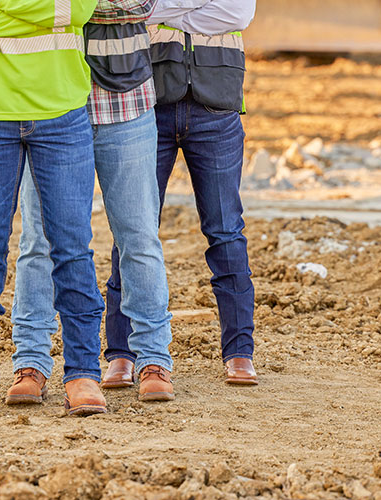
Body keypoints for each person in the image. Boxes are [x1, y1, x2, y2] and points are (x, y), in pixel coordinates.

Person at [0, 0, 108, 418]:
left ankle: (83, 374)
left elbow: (75, 11)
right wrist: (39, 8)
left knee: (71, 247)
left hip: (60, 112)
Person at [7, 0, 176, 407]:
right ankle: (30, 361)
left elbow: (140, 4)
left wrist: (58, 6)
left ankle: (154, 358)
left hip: (127, 105)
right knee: (38, 240)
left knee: (139, 237)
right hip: (50, 105)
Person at [103, 0, 260, 386]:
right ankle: (121, 353)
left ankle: (239, 352)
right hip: (148, 101)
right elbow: (136, 9)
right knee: (133, 230)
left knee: (226, 232)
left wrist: (165, 9)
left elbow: (238, 13)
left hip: (217, 106)